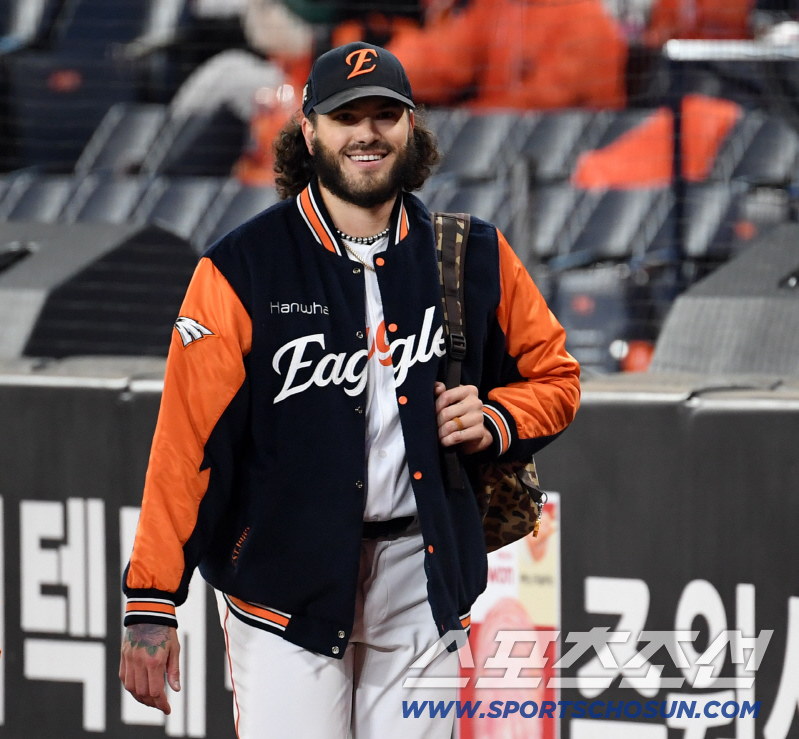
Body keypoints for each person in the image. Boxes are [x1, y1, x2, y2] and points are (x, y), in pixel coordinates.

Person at [119, 42, 579, 737]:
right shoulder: (241, 267)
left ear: (411, 127)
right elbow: (185, 444)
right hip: (282, 586)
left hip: (420, 577)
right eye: (346, 117)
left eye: (385, 115)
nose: (367, 133)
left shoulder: (471, 254)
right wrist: (151, 599)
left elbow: (557, 376)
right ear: (309, 131)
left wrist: (496, 417)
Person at [388, 0, 626, 110]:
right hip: (500, 149)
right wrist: (379, 69)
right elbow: (440, 57)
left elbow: (546, 101)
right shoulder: (497, 8)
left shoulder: (584, 16)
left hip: (575, 160)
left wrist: (469, 117)